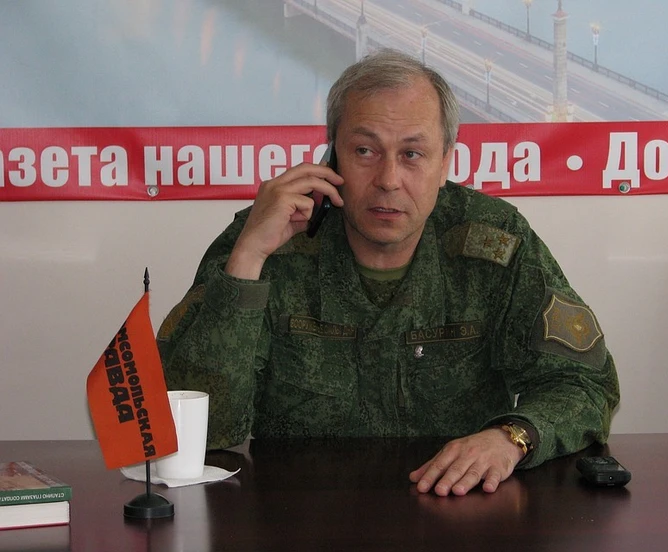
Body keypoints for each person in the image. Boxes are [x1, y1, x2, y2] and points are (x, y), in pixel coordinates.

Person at [157, 48, 619, 497]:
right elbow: (199, 431)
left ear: (445, 163)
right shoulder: (269, 235)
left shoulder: (495, 243)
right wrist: (247, 260)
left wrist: (511, 438)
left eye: (412, 154)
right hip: (299, 513)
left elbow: (584, 384)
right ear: (332, 157)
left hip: (457, 509)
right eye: (365, 150)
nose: (388, 179)